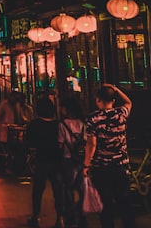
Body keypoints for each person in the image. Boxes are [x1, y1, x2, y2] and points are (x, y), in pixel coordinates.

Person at [84, 83, 136, 228]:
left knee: (105, 204)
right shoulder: (121, 114)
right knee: (124, 202)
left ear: (97, 99)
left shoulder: (93, 118)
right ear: (113, 101)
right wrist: (116, 89)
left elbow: (91, 145)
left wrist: (86, 165)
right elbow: (128, 102)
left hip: (102, 167)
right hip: (121, 166)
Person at [25, 96, 65, 228]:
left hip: (41, 161)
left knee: (37, 191)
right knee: (58, 191)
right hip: (57, 162)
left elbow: (29, 143)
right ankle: (60, 218)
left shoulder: (34, 124)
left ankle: (35, 217)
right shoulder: (59, 124)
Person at [58, 96, 87, 228]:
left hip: (67, 159)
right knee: (82, 189)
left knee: (68, 188)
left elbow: (60, 144)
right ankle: (81, 215)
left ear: (66, 109)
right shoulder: (83, 124)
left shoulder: (62, 124)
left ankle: (70, 216)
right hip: (81, 160)